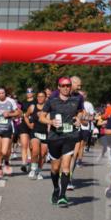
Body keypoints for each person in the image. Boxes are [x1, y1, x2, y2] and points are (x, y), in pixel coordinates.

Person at [39, 76, 83, 207]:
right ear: (58, 87)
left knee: (65, 167)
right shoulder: (52, 101)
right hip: (54, 137)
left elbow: (81, 112)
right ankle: (56, 189)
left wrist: (78, 118)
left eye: (68, 85)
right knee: (55, 168)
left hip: (69, 136)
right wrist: (50, 121)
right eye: (63, 86)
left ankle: (63, 195)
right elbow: (41, 117)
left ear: (71, 87)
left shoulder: (76, 100)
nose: (66, 88)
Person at [0, 87, 20, 178]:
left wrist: (9, 114)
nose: (1, 95)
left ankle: (6, 161)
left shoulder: (11, 101)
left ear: (5, 93)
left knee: (4, 150)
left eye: (2, 93)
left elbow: (18, 113)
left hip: (7, 128)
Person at [26, 89, 49, 180]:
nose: (40, 98)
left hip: (44, 133)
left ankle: (39, 171)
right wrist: (29, 124)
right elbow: (26, 116)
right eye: (38, 96)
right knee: (35, 151)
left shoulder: (48, 108)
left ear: (45, 98)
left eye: (42, 96)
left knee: (43, 154)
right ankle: (33, 169)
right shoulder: (32, 107)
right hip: (35, 131)